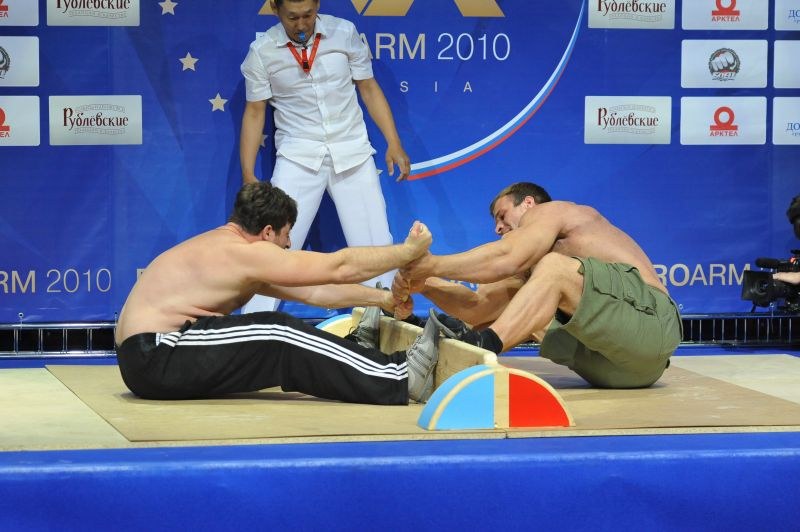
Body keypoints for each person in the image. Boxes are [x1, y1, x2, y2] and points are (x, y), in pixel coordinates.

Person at [114, 182, 439, 404]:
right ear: (267, 231)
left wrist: (382, 299)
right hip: (155, 354)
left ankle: (386, 370)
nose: (287, 245)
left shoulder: (235, 255)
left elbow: (315, 292)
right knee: (277, 332)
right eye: (286, 235)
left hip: (146, 360)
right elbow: (338, 267)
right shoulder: (241, 252)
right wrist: (407, 252)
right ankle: (399, 374)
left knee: (277, 331)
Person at [392, 182, 683, 389]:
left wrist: (433, 263)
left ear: (528, 203)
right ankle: (469, 345)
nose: (498, 228)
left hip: (654, 326)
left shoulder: (554, 212)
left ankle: (479, 351)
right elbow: (477, 309)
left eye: (502, 215)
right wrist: (425, 283)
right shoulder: (536, 276)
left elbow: (508, 257)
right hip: (619, 373)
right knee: (521, 301)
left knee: (552, 268)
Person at [239, 0, 410, 312]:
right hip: (298, 158)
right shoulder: (262, 52)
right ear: (275, 10)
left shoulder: (344, 33)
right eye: (292, 17)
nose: (302, 24)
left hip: (353, 153)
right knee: (272, 250)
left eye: (308, 15)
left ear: (317, 6)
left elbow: (369, 89)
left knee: (376, 247)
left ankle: (384, 325)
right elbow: (254, 113)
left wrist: (393, 142)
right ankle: (252, 329)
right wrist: (249, 175)